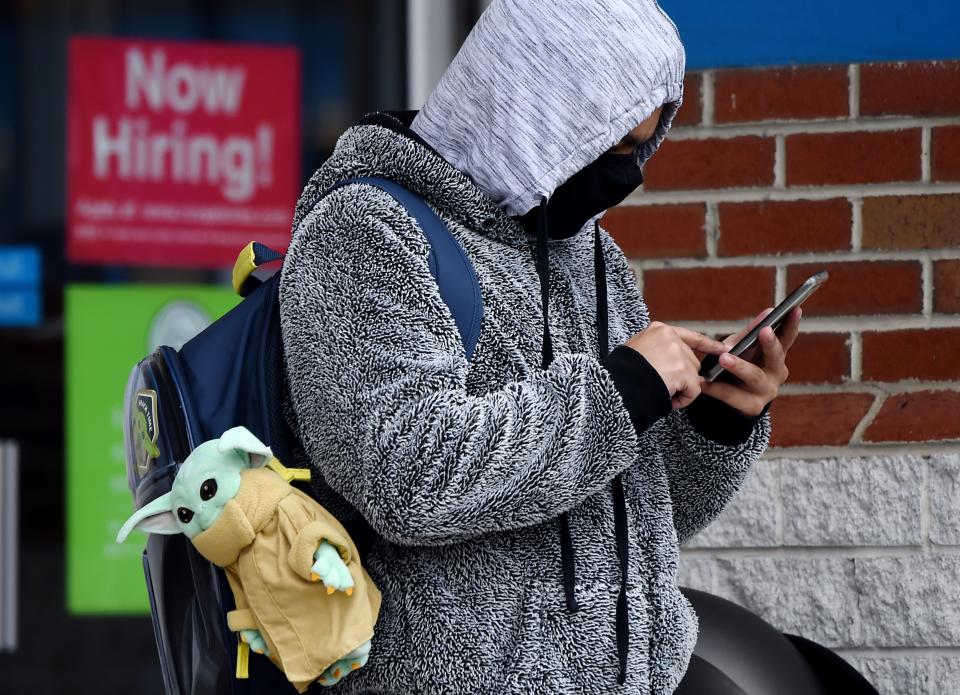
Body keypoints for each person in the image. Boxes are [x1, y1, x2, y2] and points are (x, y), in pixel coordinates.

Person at [277, 0, 798, 692]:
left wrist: (714, 422)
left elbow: (637, 514)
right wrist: (618, 393)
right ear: (542, 116)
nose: (630, 174)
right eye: (613, 147)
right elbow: (405, 475)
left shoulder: (591, 258)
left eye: (640, 147)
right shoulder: (365, 233)